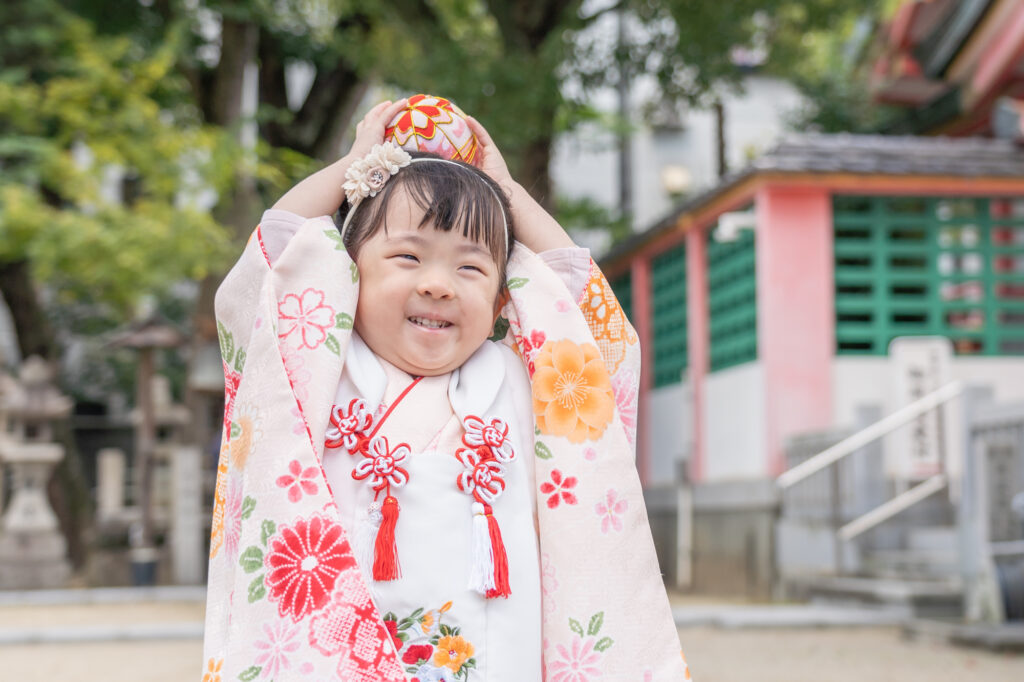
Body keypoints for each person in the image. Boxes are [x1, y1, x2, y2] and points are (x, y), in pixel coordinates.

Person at [203, 98, 690, 682]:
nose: (437, 285)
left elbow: (587, 321)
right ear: (350, 273)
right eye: (407, 257)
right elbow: (267, 272)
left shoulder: (524, 383)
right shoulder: (314, 371)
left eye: (470, 269)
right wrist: (352, 168)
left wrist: (508, 193)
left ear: (502, 297)